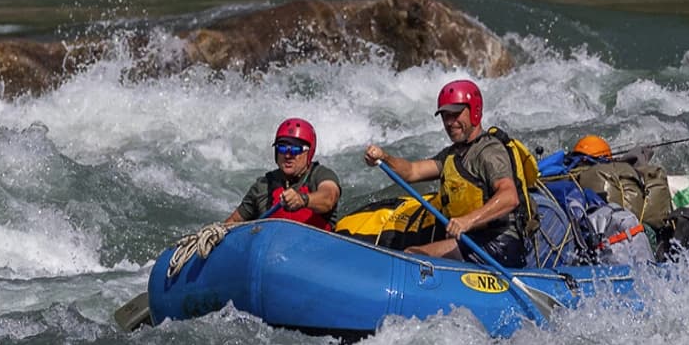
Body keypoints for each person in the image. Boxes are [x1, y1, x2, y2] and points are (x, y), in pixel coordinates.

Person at [362, 79, 530, 267]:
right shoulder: (452, 155)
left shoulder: (489, 151)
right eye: (445, 116)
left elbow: (509, 197)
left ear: (474, 111)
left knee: (413, 256)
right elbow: (411, 172)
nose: (450, 122)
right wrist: (384, 158)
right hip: (471, 240)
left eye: (455, 114)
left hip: (499, 242)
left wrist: (468, 221)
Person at [225, 118, 341, 229]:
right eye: (282, 148)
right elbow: (233, 222)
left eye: (295, 150)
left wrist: (303, 200)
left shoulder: (321, 175)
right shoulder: (263, 186)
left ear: (308, 152)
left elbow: (329, 198)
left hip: (314, 242)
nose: (288, 155)